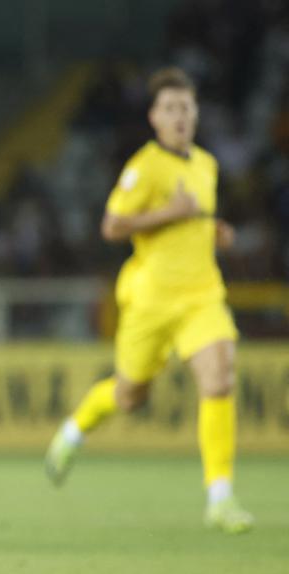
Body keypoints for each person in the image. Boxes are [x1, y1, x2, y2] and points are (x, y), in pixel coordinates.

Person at [45, 67, 252, 534]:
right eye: (170, 108)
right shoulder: (144, 167)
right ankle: (73, 431)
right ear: (155, 117)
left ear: (196, 113)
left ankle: (220, 497)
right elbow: (112, 226)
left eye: (186, 107)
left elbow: (193, 220)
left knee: (219, 379)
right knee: (129, 394)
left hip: (202, 295)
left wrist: (210, 230)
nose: (180, 115)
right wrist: (171, 212)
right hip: (152, 300)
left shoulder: (206, 165)